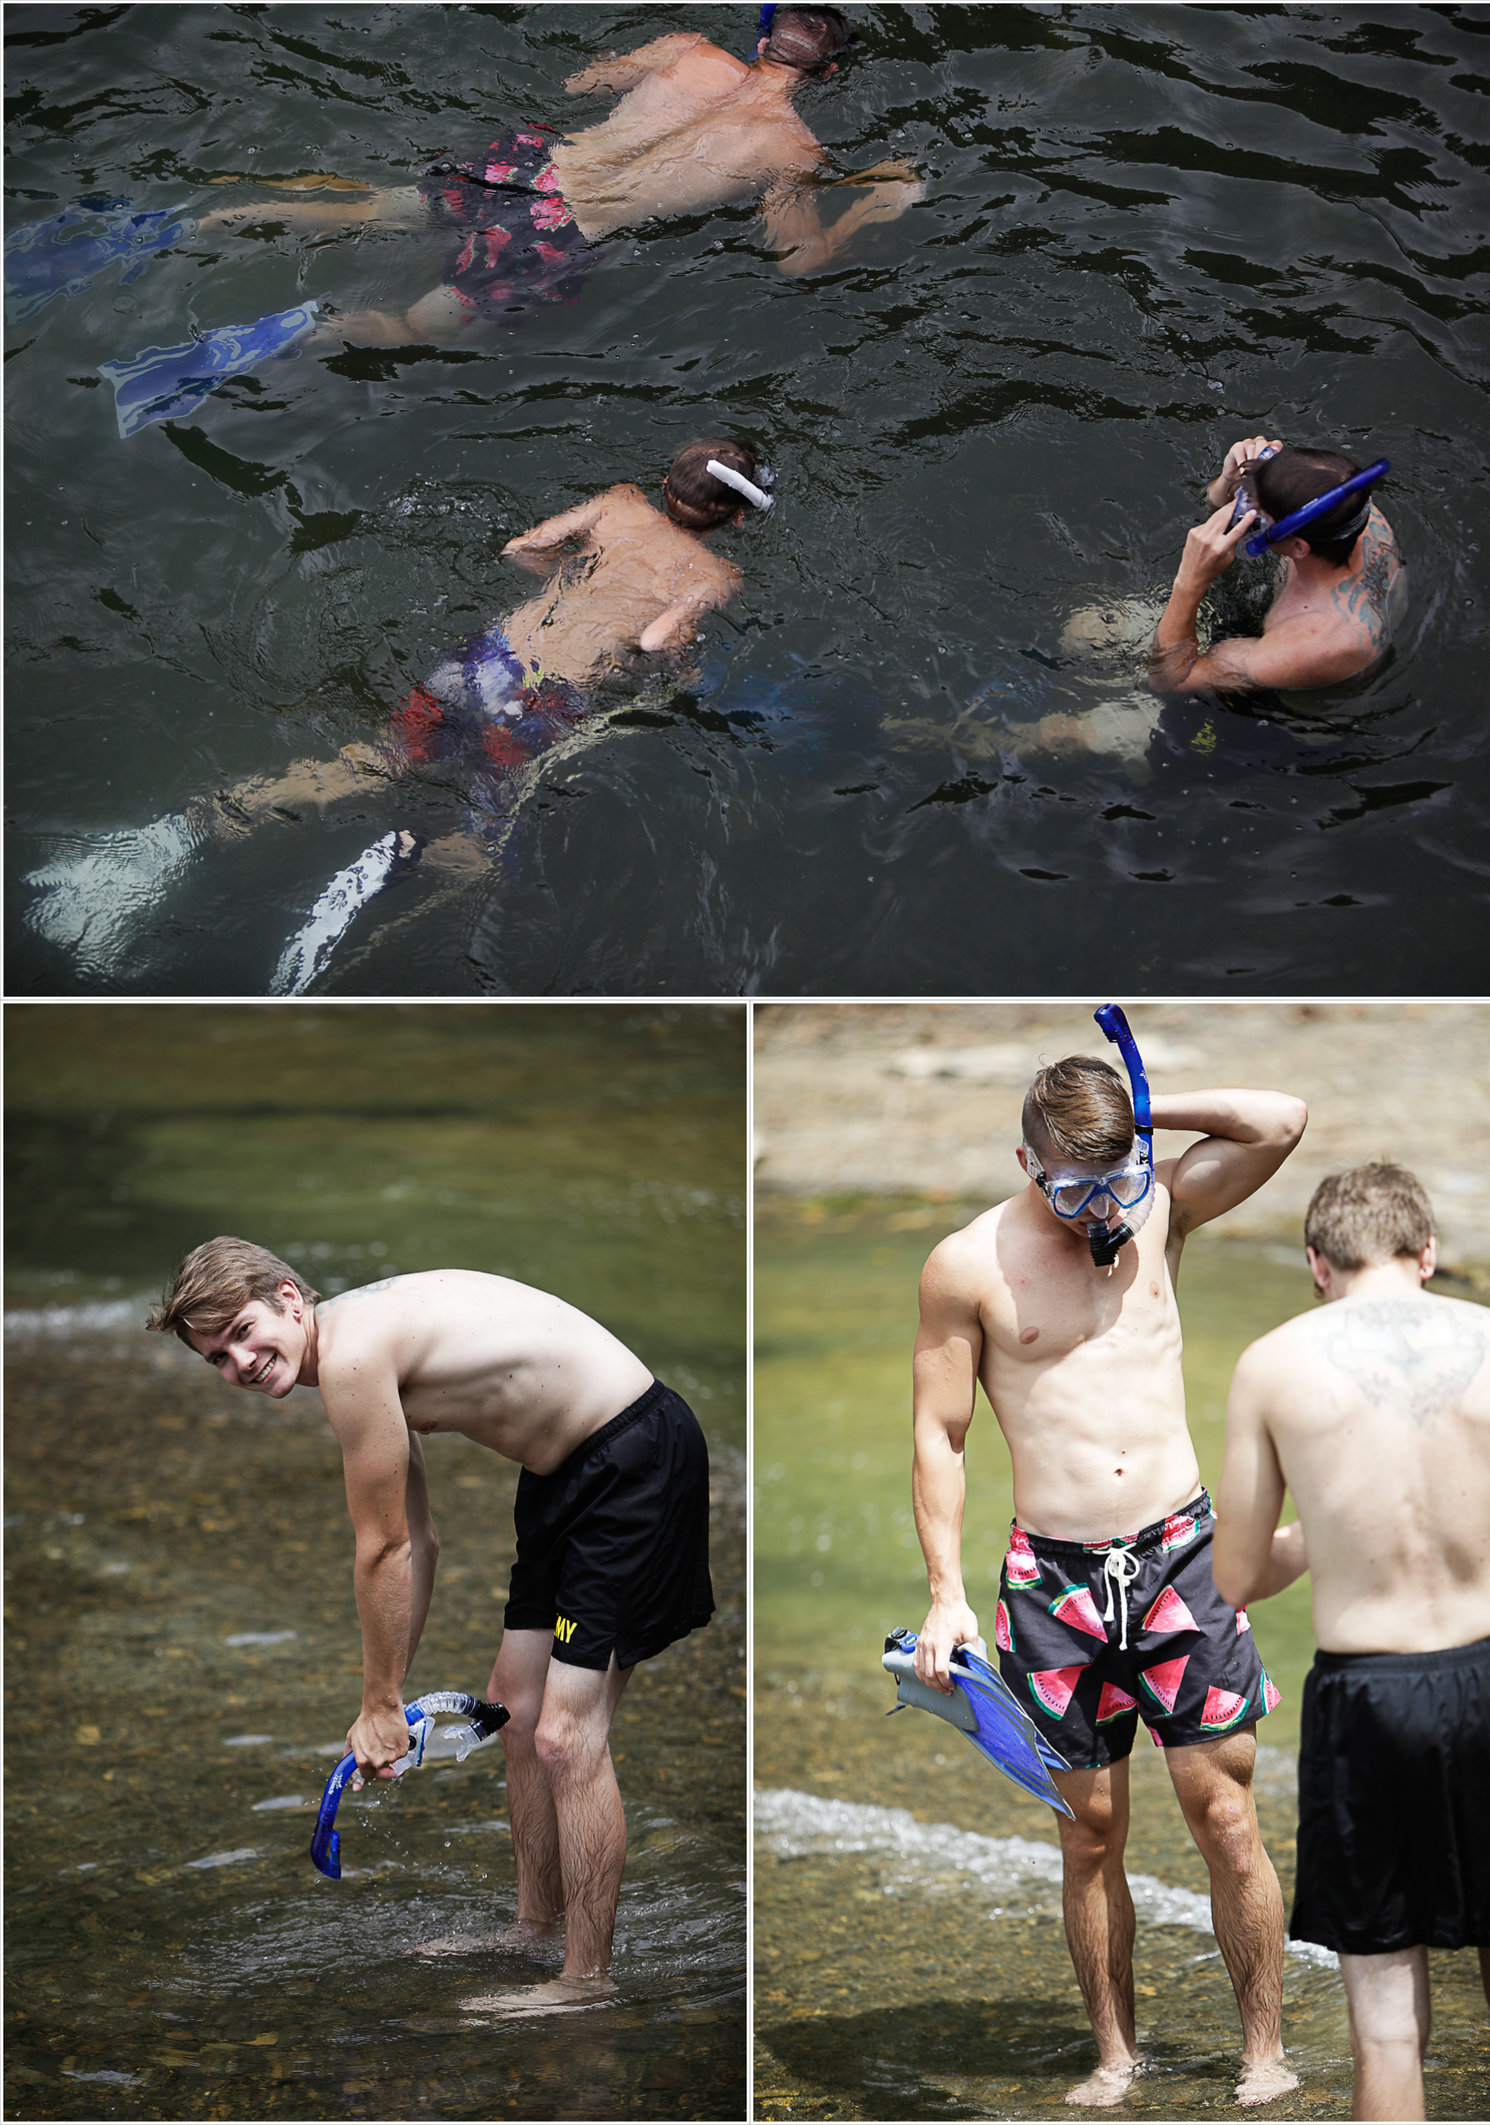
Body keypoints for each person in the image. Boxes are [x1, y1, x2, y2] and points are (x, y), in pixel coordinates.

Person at [146, 1238, 715, 2014]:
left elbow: (383, 1547)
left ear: (287, 1296)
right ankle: (535, 1928)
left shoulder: (351, 1356)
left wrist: (381, 1706)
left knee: (565, 1735)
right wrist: (388, 1697)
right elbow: (421, 1539)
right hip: (563, 1473)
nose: (238, 1361)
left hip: (632, 1458)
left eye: (242, 1331)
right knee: (513, 1708)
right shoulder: (355, 1351)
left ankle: (586, 1980)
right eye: (217, 1356)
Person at [911, 1039, 1307, 2107]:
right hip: (1053, 1582)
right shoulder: (967, 1265)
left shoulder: (1163, 1207)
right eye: (1073, 1186)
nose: (1100, 1210)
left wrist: (1147, 1111)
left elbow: (1279, 1118)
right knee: (1087, 1834)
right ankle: (1115, 2053)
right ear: (1028, 1162)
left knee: (1224, 1812)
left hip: (1182, 1553)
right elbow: (940, 1435)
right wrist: (947, 1592)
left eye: (1115, 1179)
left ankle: (1262, 2050)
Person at [21, 439, 764, 986]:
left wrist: (563, 584)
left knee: (366, 760)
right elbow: (656, 635)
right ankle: (401, 856)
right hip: (542, 701)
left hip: (480, 662)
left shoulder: (619, 501)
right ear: (733, 519)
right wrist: (676, 663)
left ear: (665, 481)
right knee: (485, 852)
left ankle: (173, 838)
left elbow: (522, 548)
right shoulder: (715, 572)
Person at [1212, 1163, 1490, 2121]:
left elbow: (1238, 1577)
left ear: (1316, 1265)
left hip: (1369, 1697)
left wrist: (1320, 1535)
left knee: (1385, 2025)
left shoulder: (1273, 1362)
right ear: (1428, 1254)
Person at [193, 7, 923, 343]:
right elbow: (798, 261)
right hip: (563, 236)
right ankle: (292, 333)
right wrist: (871, 203)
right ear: (828, 72)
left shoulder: (687, 49)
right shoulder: (795, 152)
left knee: (372, 211)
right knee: (417, 324)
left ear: (762, 38)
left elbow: (582, 86)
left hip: (528, 165)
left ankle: (216, 218)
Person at [1148, 438, 1405, 696]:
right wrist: (1229, 480)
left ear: (1298, 548)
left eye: (1255, 515)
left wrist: (1190, 581)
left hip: (1287, 718)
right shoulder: (1349, 506)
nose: (1243, 509)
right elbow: (1228, 506)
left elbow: (1169, 682)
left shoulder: (1310, 645)